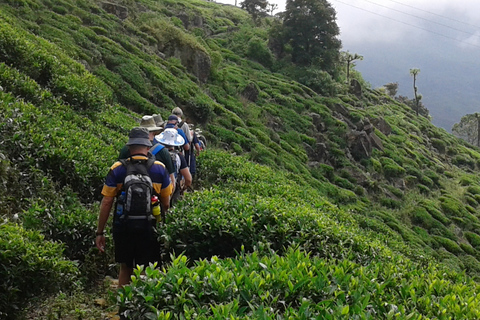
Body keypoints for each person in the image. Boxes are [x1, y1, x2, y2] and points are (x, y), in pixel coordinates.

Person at [96, 127, 172, 288]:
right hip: (150, 227)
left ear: (130, 147)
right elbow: (166, 204)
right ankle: (142, 308)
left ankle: (123, 307)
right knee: (148, 268)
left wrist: (100, 232)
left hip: (123, 227)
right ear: (147, 146)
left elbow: (107, 202)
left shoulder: (117, 168)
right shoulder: (160, 168)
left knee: (126, 267)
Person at [119, 115, 176, 194]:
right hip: (154, 199)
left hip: (128, 197)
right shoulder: (163, 151)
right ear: (154, 132)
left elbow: (118, 174)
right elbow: (172, 181)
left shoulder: (126, 149)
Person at [155, 128, 192, 206]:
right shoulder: (179, 156)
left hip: (156, 188)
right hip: (173, 190)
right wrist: (183, 188)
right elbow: (188, 179)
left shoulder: (155, 153)